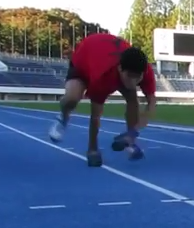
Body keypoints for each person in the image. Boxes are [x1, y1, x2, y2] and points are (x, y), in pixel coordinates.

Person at [48, 33, 157, 167]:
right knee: (71, 99)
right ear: (120, 69)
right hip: (83, 60)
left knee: (132, 96)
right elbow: (95, 115)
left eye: (137, 77)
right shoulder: (103, 77)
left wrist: (133, 132)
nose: (133, 81)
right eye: (129, 76)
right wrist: (93, 150)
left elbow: (152, 102)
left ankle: (131, 141)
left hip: (105, 55)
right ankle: (63, 117)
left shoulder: (146, 71)